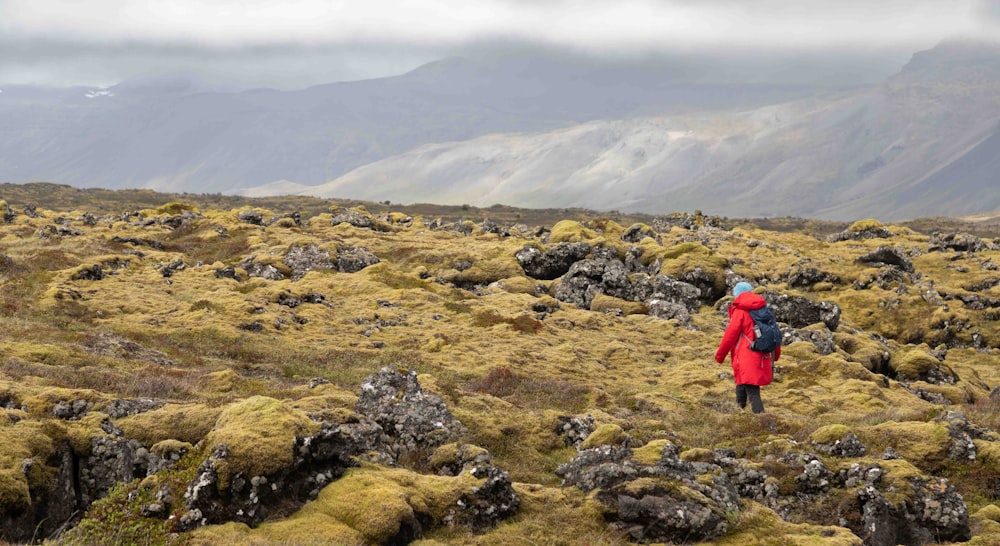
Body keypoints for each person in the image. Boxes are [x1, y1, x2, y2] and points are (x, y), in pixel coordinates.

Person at [714, 281, 780, 413]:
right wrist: (776, 354)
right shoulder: (763, 310)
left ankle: (761, 419)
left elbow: (730, 336)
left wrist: (720, 355)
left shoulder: (740, 312)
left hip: (746, 355)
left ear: (737, 295)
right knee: (742, 382)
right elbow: (773, 333)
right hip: (761, 354)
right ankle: (739, 411)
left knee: (752, 389)